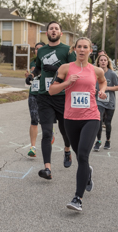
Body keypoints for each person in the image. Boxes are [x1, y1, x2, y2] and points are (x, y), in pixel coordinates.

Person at [49, 37, 107, 212]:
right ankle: (87, 172)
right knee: (80, 156)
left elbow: (103, 82)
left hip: (91, 117)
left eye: (85, 47)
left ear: (90, 50)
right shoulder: (65, 68)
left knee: (82, 155)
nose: (82, 50)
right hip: (70, 119)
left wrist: (102, 91)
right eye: (79, 47)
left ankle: (77, 198)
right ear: (75, 49)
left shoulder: (96, 70)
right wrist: (68, 82)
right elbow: (52, 90)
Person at [26, 21, 76, 180]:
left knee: (65, 130)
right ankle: (47, 168)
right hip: (44, 96)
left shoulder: (67, 50)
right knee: (47, 132)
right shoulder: (42, 51)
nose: (53, 31)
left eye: (56, 29)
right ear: (46, 33)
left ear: (61, 33)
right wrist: (32, 76)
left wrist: (55, 69)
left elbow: (73, 70)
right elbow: (39, 67)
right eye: (50, 29)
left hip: (63, 96)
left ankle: (67, 150)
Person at [93, 54, 118, 151]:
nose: (103, 62)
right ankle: (98, 141)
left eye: (105, 60)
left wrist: (106, 88)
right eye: (101, 60)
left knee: (108, 122)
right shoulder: (95, 73)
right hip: (99, 101)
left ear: (107, 62)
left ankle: (108, 140)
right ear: (98, 62)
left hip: (110, 101)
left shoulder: (112, 74)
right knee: (99, 120)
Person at [25, 42, 46, 157]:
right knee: (34, 119)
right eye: (36, 49)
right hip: (33, 93)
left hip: (46, 94)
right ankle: (32, 147)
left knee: (45, 120)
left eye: (40, 49)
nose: (38, 51)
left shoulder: (49, 62)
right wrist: (28, 77)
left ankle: (50, 132)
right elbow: (32, 78)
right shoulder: (32, 63)